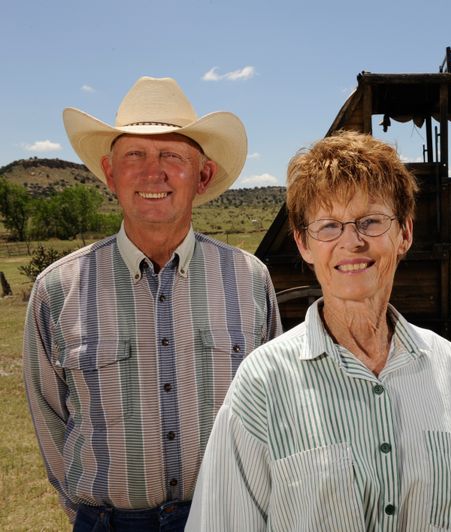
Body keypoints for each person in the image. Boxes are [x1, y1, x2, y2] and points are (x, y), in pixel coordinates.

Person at [187, 130, 451, 531]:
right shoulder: (262, 380)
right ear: (303, 244)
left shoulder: (443, 361)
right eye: (329, 226)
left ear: (404, 233)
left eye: (370, 221)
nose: (352, 241)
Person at [22, 76, 282, 531]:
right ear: (110, 173)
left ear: (202, 176)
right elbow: (49, 416)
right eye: (135, 155)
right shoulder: (56, 288)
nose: (152, 172)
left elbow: (273, 407)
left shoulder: (248, 279)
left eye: (172, 156)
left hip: (225, 517)